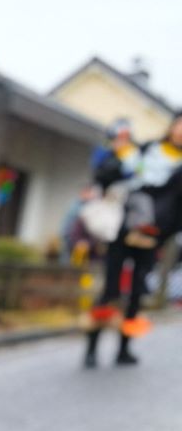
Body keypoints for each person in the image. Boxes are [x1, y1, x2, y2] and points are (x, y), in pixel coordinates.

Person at [84, 110, 182, 367]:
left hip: (154, 235)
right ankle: (92, 347)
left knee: (138, 291)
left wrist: (165, 233)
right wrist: (119, 154)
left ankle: (124, 349)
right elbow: (108, 175)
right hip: (123, 227)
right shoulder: (146, 150)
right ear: (172, 125)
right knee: (110, 287)